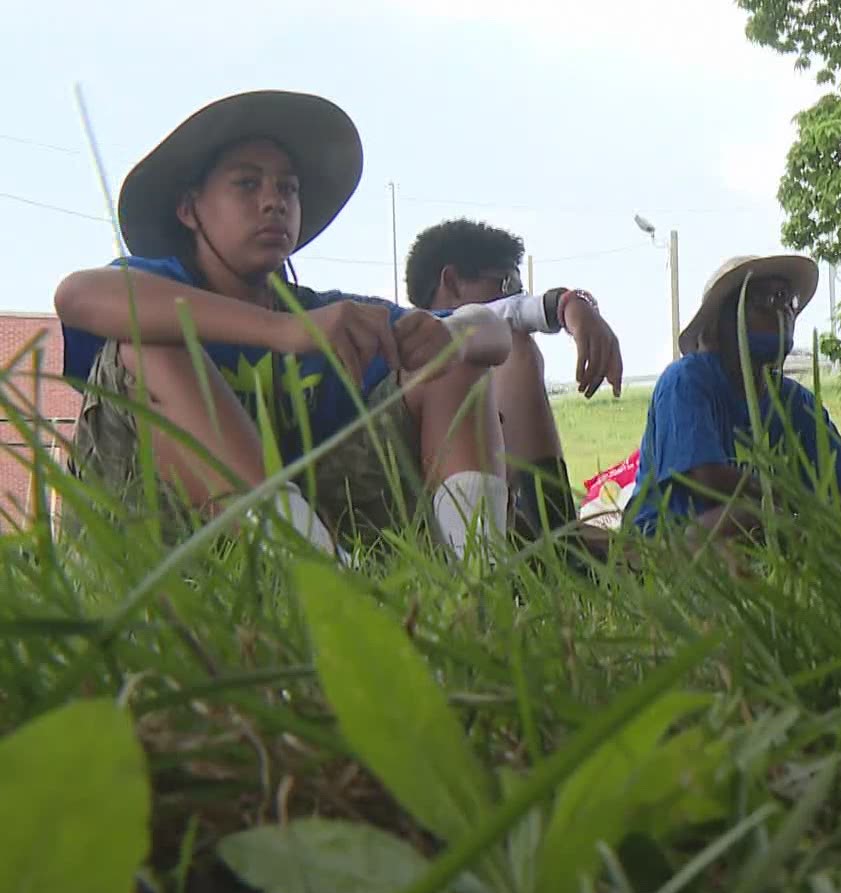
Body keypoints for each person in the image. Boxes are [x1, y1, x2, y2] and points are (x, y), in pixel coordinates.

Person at [55, 90, 522, 563]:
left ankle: (475, 588)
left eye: (288, 188)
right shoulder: (156, 285)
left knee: (450, 362)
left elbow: (489, 330)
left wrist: (449, 337)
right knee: (150, 343)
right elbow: (75, 295)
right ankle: (316, 574)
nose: (274, 202)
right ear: (188, 209)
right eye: (246, 184)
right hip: (152, 544)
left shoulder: (331, 315)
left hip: (314, 529)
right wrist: (279, 332)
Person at [619, 253, 841, 547]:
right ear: (723, 322)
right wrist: (805, 505)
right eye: (766, 300)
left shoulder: (795, 402)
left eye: (787, 300)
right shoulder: (687, 381)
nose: (782, 311)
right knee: (748, 516)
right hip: (669, 541)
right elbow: (705, 478)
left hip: (769, 533)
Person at [406, 217, 623, 540]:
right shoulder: (411, 336)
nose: (516, 297)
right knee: (515, 345)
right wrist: (567, 304)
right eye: (506, 285)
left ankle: (559, 535)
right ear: (450, 282)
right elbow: (509, 313)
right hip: (418, 520)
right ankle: (560, 539)